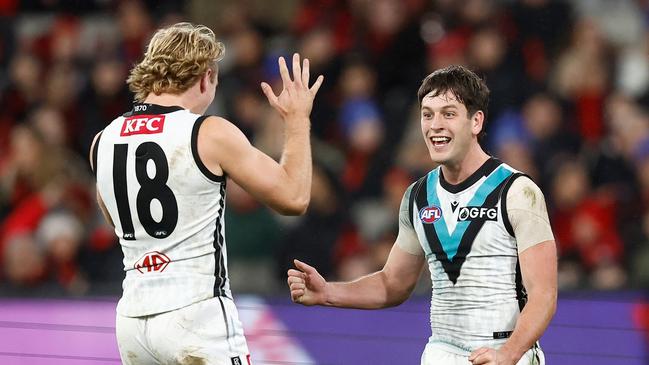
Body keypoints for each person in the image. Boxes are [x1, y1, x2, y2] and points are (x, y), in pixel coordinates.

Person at [287, 65, 557, 365]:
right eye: (427, 114)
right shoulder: (417, 196)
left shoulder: (518, 192)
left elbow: (543, 294)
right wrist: (327, 293)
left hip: (505, 351)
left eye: (448, 114)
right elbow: (393, 283)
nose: (434, 125)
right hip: (440, 352)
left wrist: (509, 353)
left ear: (476, 121)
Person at [90, 22, 323, 365]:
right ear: (205, 76)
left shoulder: (104, 139)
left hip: (133, 320)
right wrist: (296, 119)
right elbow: (294, 198)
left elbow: (115, 217)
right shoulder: (208, 132)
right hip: (195, 313)